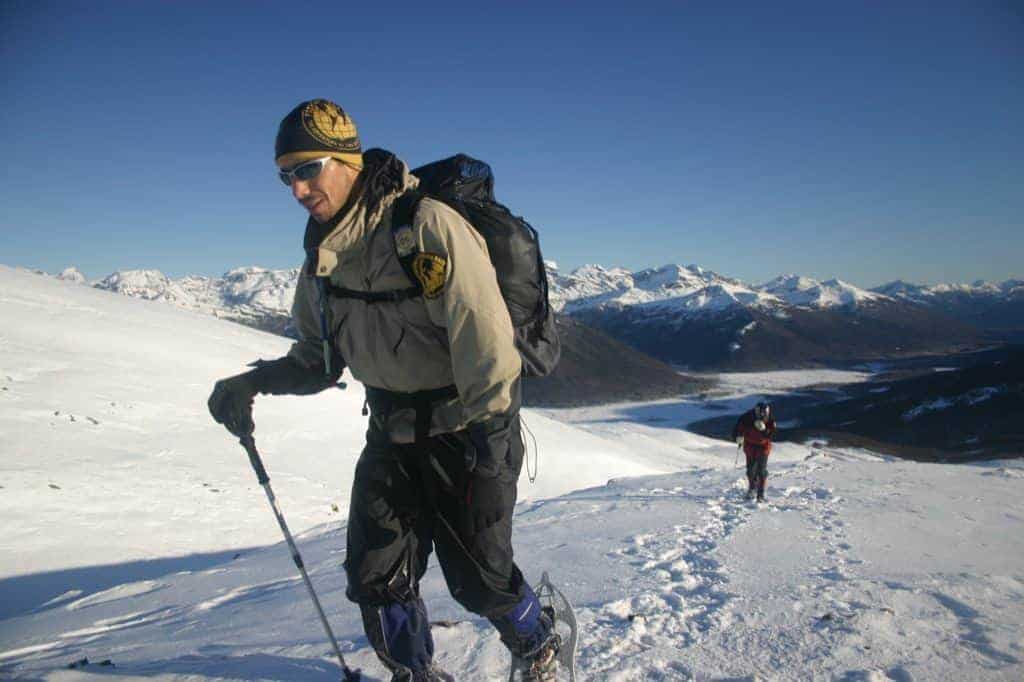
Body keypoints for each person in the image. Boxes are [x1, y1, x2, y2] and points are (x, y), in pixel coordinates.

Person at [207, 99, 559, 681]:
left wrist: (492, 438)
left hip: (466, 431)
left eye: (306, 168)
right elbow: (318, 362)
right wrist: (252, 382)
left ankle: (537, 639)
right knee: (375, 575)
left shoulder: (421, 226)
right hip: (391, 433)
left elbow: (486, 342)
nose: (296, 188)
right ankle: (413, 673)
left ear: (346, 160)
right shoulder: (323, 253)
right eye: (285, 175)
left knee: (480, 581)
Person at [731, 401, 777, 502]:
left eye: (765, 413)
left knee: (762, 471)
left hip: (763, 447)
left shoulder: (770, 420)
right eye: (761, 413)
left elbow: (772, 434)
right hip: (750, 446)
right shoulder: (746, 418)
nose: (763, 415)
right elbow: (737, 429)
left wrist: (764, 430)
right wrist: (737, 437)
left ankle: (760, 494)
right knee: (750, 470)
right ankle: (752, 487)